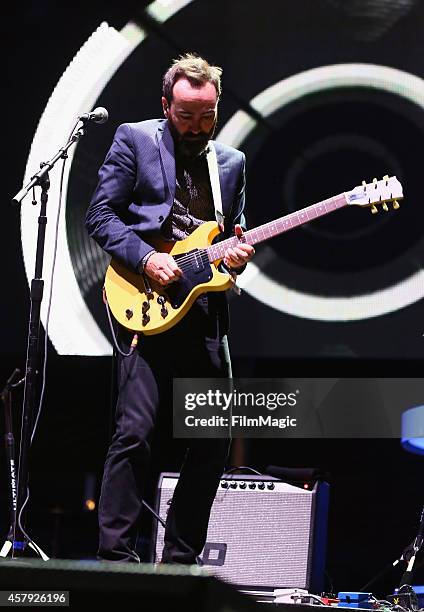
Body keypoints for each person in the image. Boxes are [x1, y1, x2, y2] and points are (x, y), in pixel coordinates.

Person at [85, 53, 254, 564]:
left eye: (207, 118)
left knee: (211, 443)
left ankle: (179, 564)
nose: (197, 129)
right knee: (134, 433)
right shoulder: (134, 140)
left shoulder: (232, 164)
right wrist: (148, 256)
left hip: (204, 317)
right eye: (185, 117)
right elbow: (99, 214)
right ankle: (116, 560)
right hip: (145, 304)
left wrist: (238, 256)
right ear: (165, 105)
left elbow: (230, 239)